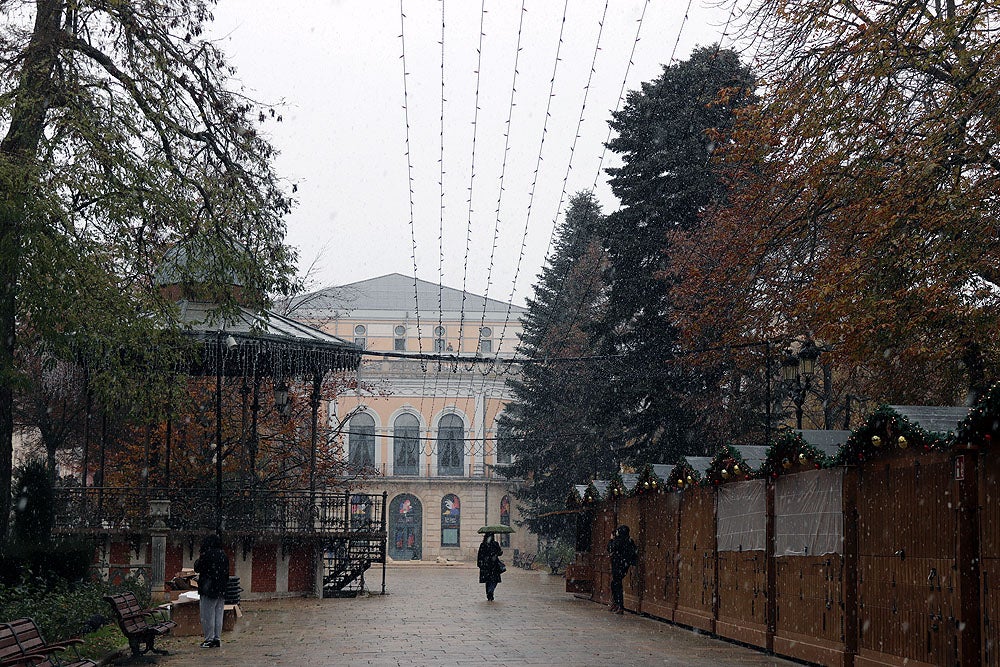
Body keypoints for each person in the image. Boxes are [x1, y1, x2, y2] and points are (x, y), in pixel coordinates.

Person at [194, 534, 230, 648]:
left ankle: (209, 639)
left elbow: (198, 567)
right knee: (218, 614)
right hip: (221, 589)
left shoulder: (206, 555)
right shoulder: (223, 555)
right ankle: (217, 638)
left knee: (207, 615)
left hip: (208, 589)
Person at [607, 525, 638, 614]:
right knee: (615, 583)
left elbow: (609, 548)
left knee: (617, 584)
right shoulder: (629, 541)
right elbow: (633, 552)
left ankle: (619, 605)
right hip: (624, 565)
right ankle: (617, 603)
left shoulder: (618, 541)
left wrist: (611, 540)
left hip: (618, 565)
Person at [477, 533, 504, 601]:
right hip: (492, 565)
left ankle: (489, 593)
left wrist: (480, 563)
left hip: (487, 565)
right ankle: (490, 591)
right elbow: (499, 552)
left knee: (488, 580)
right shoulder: (493, 544)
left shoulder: (484, 544)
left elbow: (480, 555)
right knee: (493, 580)